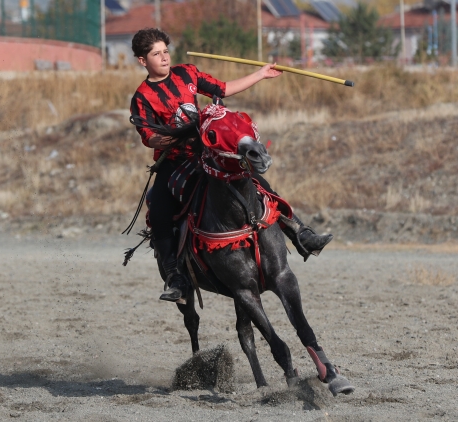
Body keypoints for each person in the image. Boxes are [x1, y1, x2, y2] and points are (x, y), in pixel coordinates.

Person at [130, 28, 332, 302]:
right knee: (160, 212)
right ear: (143, 61)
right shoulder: (141, 97)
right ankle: (175, 276)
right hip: (175, 162)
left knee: (256, 180)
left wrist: (261, 74)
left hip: (207, 153)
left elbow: (223, 89)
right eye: (156, 54)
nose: (164, 57)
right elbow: (150, 139)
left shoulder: (187, 73)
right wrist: (185, 132)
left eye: (166, 51)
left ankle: (300, 233)